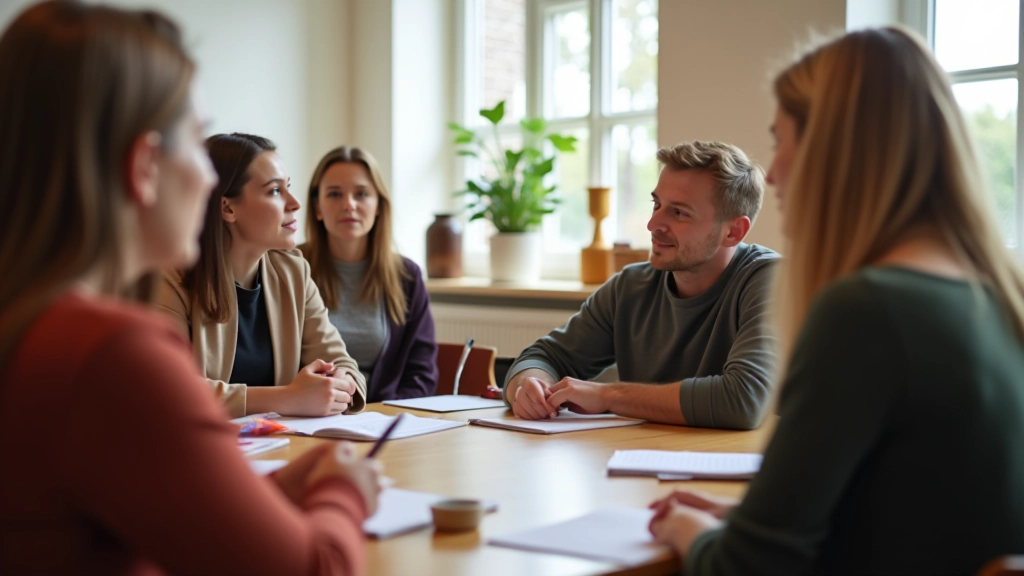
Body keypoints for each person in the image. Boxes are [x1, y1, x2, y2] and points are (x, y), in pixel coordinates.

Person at [0, 2, 380, 574]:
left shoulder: (33, 323)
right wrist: (343, 488)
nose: (206, 178)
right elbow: (314, 566)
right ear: (144, 164)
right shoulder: (110, 352)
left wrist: (271, 494)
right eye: (193, 142)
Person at [648, 27, 1024, 575]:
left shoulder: (868, 310)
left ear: (835, 148)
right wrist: (745, 516)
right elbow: (920, 512)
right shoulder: (993, 295)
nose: (772, 172)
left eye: (780, 140)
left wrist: (684, 527)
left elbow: (747, 568)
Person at [504, 141, 779, 429]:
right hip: (642, 460)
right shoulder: (630, 286)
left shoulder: (769, 280)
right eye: (657, 204)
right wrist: (528, 387)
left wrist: (609, 395)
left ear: (733, 231)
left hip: (741, 468)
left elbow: (744, 401)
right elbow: (544, 357)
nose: (653, 224)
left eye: (679, 212)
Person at [154, 133, 367, 418]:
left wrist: (342, 382)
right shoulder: (170, 277)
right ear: (227, 207)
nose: (294, 203)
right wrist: (286, 398)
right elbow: (167, 390)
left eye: (288, 187)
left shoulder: (293, 271)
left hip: (280, 445)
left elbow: (341, 360)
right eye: (275, 191)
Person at [299, 146, 438, 402]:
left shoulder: (406, 276)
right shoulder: (290, 269)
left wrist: (386, 418)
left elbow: (421, 374)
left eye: (361, 194)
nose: (349, 204)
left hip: (383, 419)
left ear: (378, 206)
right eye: (334, 194)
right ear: (317, 207)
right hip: (308, 415)